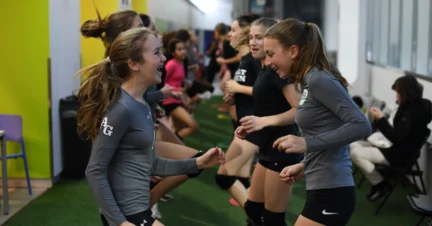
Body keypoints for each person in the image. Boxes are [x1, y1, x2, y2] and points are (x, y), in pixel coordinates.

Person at [77, 27, 225, 226]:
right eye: (156, 52)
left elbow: (151, 164)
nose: (164, 58)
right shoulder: (120, 109)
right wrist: (119, 222)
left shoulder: (143, 106)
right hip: (128, 217)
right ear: (134, 64)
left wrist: (197, 164)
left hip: (139, 212)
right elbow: (95, 170)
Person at [267, 19, 372, 226]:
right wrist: (304, 165)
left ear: (293, 51)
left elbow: (361, 125)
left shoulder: (318, 79)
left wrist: (306, 144)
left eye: (271, 54)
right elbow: (330, 129)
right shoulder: (308, 81)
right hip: (322, 188)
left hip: (333, 192)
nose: (268, 62)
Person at [234, 17, 303, 226]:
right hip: (268, 147)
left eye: (259, 38)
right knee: (254, 210)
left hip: (282, 150)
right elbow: (269, 107)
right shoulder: (265, 69)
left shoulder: (277, 72)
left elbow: (299, 110)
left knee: (272, 219)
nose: (253, 42)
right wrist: (251, 127)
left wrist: (263, 122)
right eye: (251, 37)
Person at [350, 75, 431, 201]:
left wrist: (381, 119)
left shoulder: (411, 113)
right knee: (353, 145)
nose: (396, 96)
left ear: (406, 93)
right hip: (394, 148)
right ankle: (379, 183)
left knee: (355, 153)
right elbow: (398, 133)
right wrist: (382, 118)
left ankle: (380, 184)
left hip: (399, 155)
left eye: (398, 93)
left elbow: (396, 137)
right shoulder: (414, 107)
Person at [214, 14, 260, 209]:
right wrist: (234, 96)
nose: (229, 35)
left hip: (254, 127)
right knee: (241, 177)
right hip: (245, 126)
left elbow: (268, 92)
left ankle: (260, 220)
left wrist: (238, 89)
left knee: (224, 177)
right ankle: (254, 219)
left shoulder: (254, 60)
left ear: (246, 32)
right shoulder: (244, 60)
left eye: (233, 30)